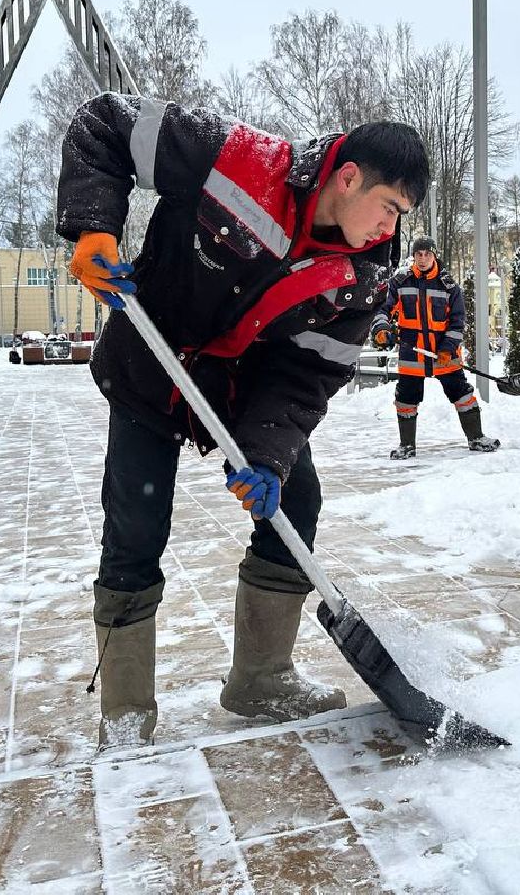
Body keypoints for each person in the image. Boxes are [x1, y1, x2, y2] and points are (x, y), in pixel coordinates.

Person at [56, 92, 428, 748]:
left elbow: (308, 375)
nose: (388, 229)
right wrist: (94, 227)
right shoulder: (237, 158)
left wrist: (266, 456)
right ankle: (125, 710)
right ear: (349, 178)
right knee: (137, 525)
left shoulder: (363, 277)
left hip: (239, 389)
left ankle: (261, 678)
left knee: (296, 501)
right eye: (389, 208)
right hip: (150, 362)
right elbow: (105, 123)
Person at [370, 236, 500, 459]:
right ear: (414, 256)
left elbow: (458, 321)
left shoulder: (448, 286)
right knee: (406, 399)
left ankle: (476, 438)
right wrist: (381, 328)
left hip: (444, 355)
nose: (422, 259)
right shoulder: (399, 282)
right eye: (418, 254)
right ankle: (406, 446)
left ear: (434, 255)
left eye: (427, 254)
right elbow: (382, 309)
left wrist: (448, 348)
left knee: (462, 394)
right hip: (412, 353)